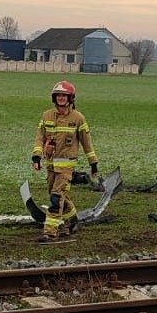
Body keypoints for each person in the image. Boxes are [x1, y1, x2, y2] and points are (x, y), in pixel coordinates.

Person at [28, 80, 98, 242]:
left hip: (66, 167)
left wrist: (93, 163)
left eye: (64, 95)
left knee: (55, 198)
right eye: (58, 95)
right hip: (50, 165)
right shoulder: (46, 116)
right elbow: (40, 138)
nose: (61, 98)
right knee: (59, 197)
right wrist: (36, 157)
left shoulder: (78, 118)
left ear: (70, 98)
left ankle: (50, 232)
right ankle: (73, 219)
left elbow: (87, 143)